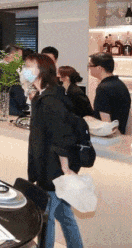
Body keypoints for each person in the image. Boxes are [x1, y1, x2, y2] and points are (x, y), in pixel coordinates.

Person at [23, 54, 83, 248]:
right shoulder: (45, 95)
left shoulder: (50, 100)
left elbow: (62, 135)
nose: (24, 70)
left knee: (45, 217)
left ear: (41, 71)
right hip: (49, 166)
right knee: (64, 214)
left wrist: (65, 169)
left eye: (28, 66)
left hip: (52, 169)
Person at [89, 52, 131, 134]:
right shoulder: (120, 84)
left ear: (99, 68)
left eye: (90, 65)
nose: (89, 68)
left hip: (109, 137)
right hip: (119, 135)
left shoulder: (103, 89)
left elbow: (106, 124)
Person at [5, 45, 28, 116]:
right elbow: (16, 92)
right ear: (10, 55)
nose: (20, 59)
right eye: (19, 56)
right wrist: (24, 105)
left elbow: (33, 79)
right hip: (13, 109)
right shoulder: (8, 70)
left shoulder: (21, 67)